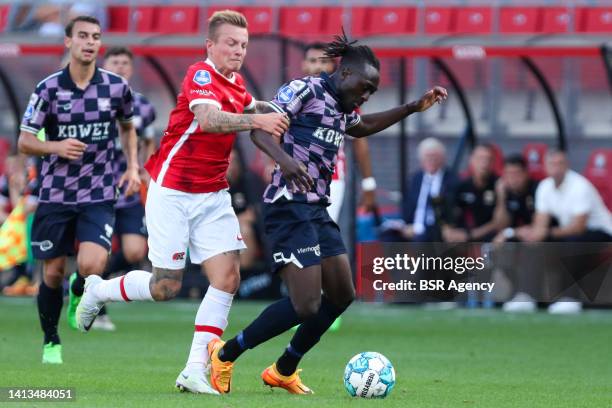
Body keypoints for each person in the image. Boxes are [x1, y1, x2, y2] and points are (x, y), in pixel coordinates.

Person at [207, 33, 447, 395]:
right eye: (364, 87)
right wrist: (286, 162)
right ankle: (225, 353)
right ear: (345, 71)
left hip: (315, 209)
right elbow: (258, 128)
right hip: (288, 206)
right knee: (306, 304)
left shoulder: (343, 107)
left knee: (342, 293)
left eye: (372, 91)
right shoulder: (305, 90)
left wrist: (412, 107)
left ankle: (284, 369)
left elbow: (362, 127)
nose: (366, 96)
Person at [76, 10, 289, 394]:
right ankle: (97, 291)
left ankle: (194, 370)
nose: (238, 50)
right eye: (230, 43)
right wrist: (258, 120)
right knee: (165, 287)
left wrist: (283, 119)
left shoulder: (238, 86)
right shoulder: (201, 75)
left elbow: (254, 109)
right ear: (210, 45)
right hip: (172, 191)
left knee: (227, 278)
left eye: (243, 45)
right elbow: (209, 120)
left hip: (211, 194)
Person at [17, 15, 140, 364]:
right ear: (68, 42)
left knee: (93, 263)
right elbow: (25, 142)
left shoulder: (117, 87)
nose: (90, 42)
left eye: (96, 37)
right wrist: (56, 147)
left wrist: (131, 166)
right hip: (55, 193)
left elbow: (128, 127)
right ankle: (51, 340)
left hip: (99, 191)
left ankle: (78, 290)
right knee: (52, 271)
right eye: (82, 36)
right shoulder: (48, 89)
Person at [73, 46, 156, 331]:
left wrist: (146, 170)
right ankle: (98, 308)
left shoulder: (144, 105)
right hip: (97, 189)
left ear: (131, 69)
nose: (120, 67)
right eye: (114, 62)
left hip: (129, 188)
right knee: (99, 255)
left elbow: (147, 141)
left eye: (125, 63)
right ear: (103, 65)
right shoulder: (90, 99)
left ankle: (84, 282)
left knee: (135, 252)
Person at [502, 150, 612, 314]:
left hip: (600, 233)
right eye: (552, 164)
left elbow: (579, 227)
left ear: (567, 165)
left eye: (560, 164)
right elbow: (541, 223)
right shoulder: (545, 187)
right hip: (570, 233)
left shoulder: (580, 185)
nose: (556, 168)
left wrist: (544, 233)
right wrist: (534, 235)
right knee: (535, 244)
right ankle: (527, 295)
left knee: (572, 243)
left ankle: (569, 298)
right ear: (545, 167)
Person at [301, 42, 377, 221]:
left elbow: (360, 140)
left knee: (319, 233)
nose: (318, 66)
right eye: (313, 61)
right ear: (303, 64)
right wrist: (271, 163)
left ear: (333, 66)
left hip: (330, 179)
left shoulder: (345, 99)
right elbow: (273, 129)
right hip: (296, 177)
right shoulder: (292, 94)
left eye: (324, 61)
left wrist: (368, 183)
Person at [443, 144, 499, 242]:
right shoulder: (460, 184)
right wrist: (448, 230)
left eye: (488, 159)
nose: (484, 163)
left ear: (493, 162)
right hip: (463, 233)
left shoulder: (499, 185)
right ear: (471, 160)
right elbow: (447, 211)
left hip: (487, 235)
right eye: (480, 158)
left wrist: (471, 235)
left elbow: (500, 222)